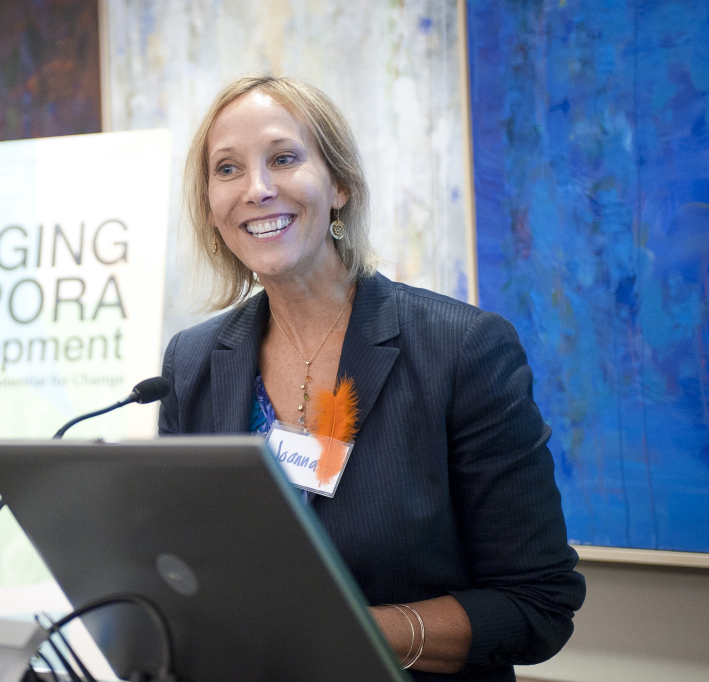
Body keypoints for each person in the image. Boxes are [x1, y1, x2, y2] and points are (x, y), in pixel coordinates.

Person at [158, 75, 585, 681]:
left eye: (284, 158)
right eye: (227, 169)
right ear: (209, 207)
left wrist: (341, 632)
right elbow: (182, 570)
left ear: (340, 185)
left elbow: (536, 603)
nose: (256, 189)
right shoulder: (190, 364)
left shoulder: (463, 350)